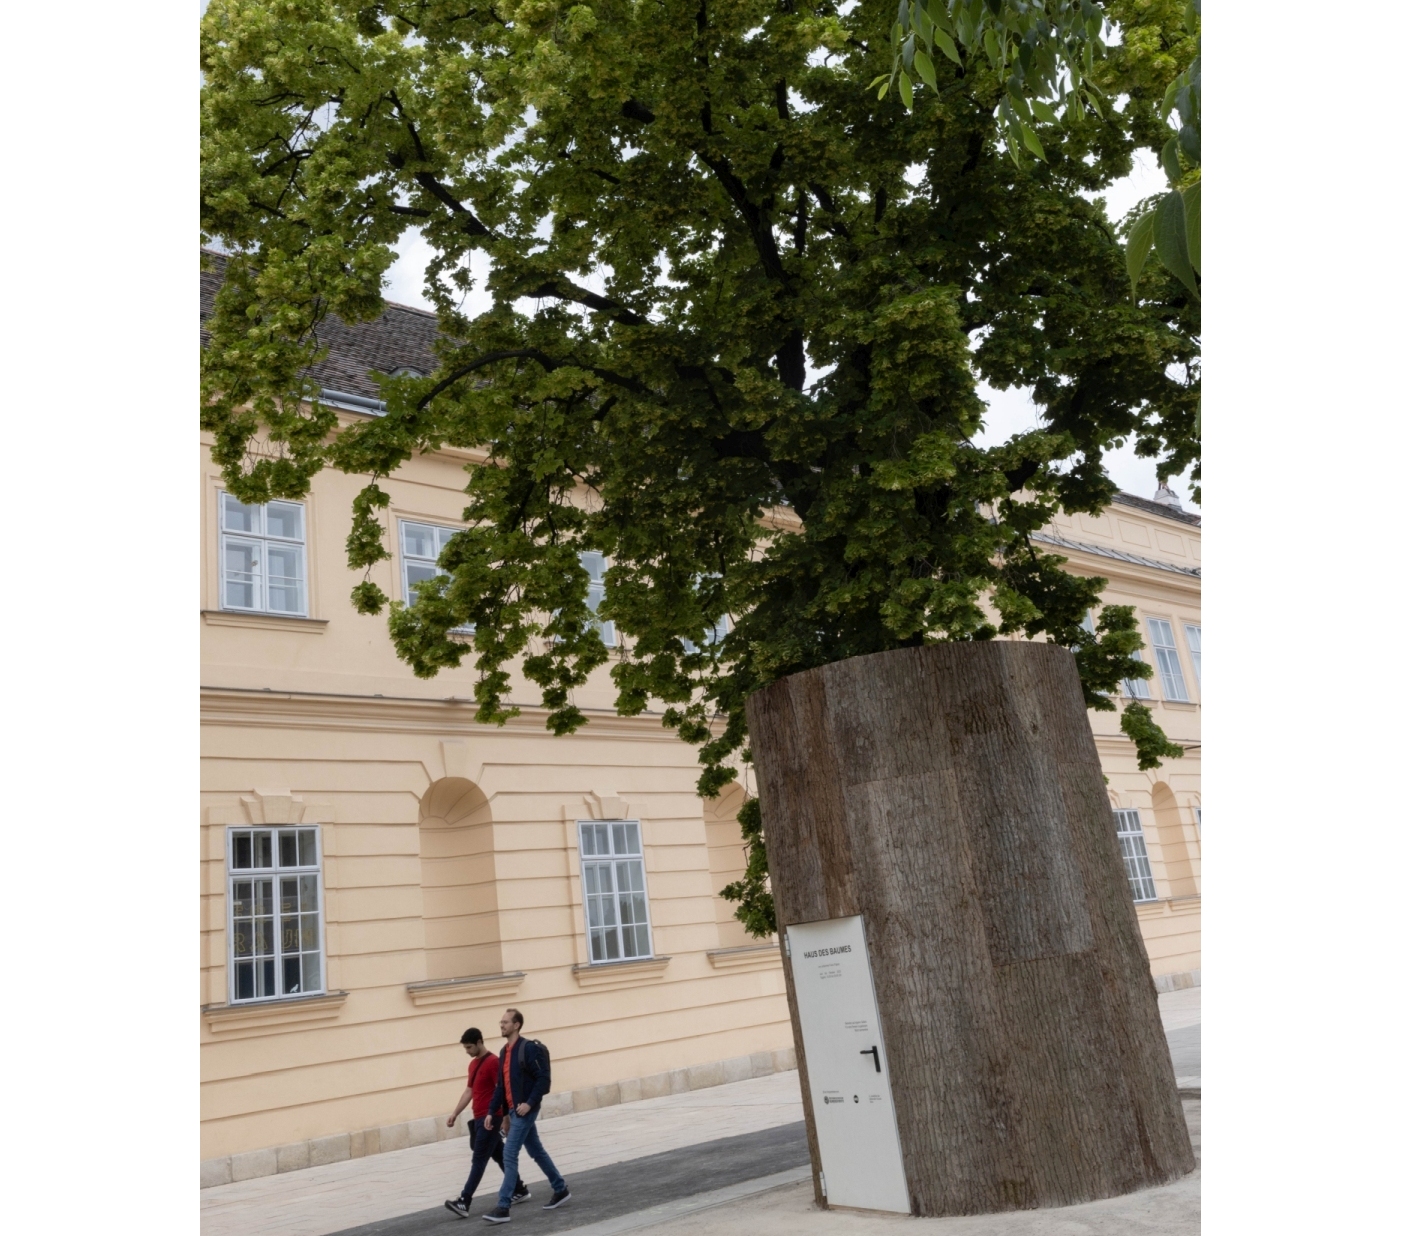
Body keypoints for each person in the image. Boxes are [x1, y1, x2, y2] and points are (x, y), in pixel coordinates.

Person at [479, 1008, 571, 1223]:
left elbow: (543, 1080)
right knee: (536, 1150)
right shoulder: (504, 1052)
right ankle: (560, 1188)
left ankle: (503, 1206)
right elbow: (501, 1087)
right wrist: (495, 1113)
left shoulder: (528, 1049)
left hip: (525, 1109)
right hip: (514, 1111)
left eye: (505, 1022)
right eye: (500, 1022)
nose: (501, 1025)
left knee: (509, 1153)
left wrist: (529, 1104)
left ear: (517, 1025)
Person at [444, 1027, 530, 1218]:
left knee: (479, 1160)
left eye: (469, 1047)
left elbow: (502, 1090)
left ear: (480, 1042)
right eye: (465, 1048)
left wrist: (503, 1117)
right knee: (498, 1155)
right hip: (480, 1117)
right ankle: (519, 1188)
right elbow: (469, 1092)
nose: (467, 1051)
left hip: (491, 1118)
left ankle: (464, 1201)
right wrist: (455, 1113)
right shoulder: (473, 1065)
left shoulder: (493, 1063)